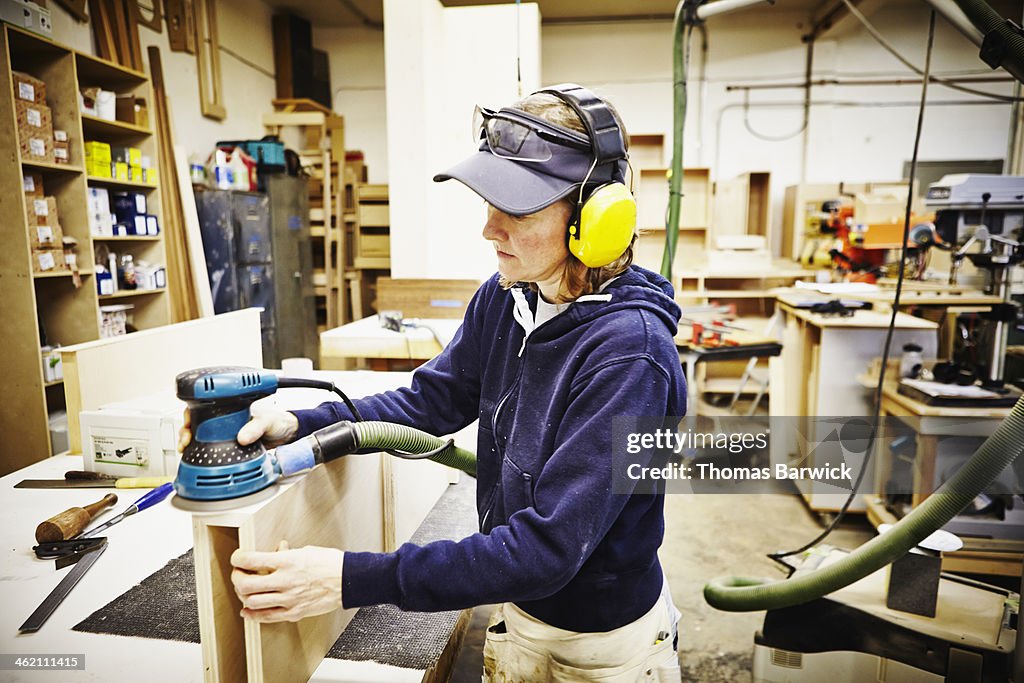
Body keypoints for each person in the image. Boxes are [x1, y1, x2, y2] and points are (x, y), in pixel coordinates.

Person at [179, 83, 686, 681]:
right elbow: (431, 400)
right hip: (521, 610)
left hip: (601, 645)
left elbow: (548, 550)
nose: (489, 229)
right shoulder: (509, 298)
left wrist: (349, 579)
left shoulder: (631, 358)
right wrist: (298, 422)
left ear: (597, 217)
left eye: (516, 210)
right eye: (488, 203)